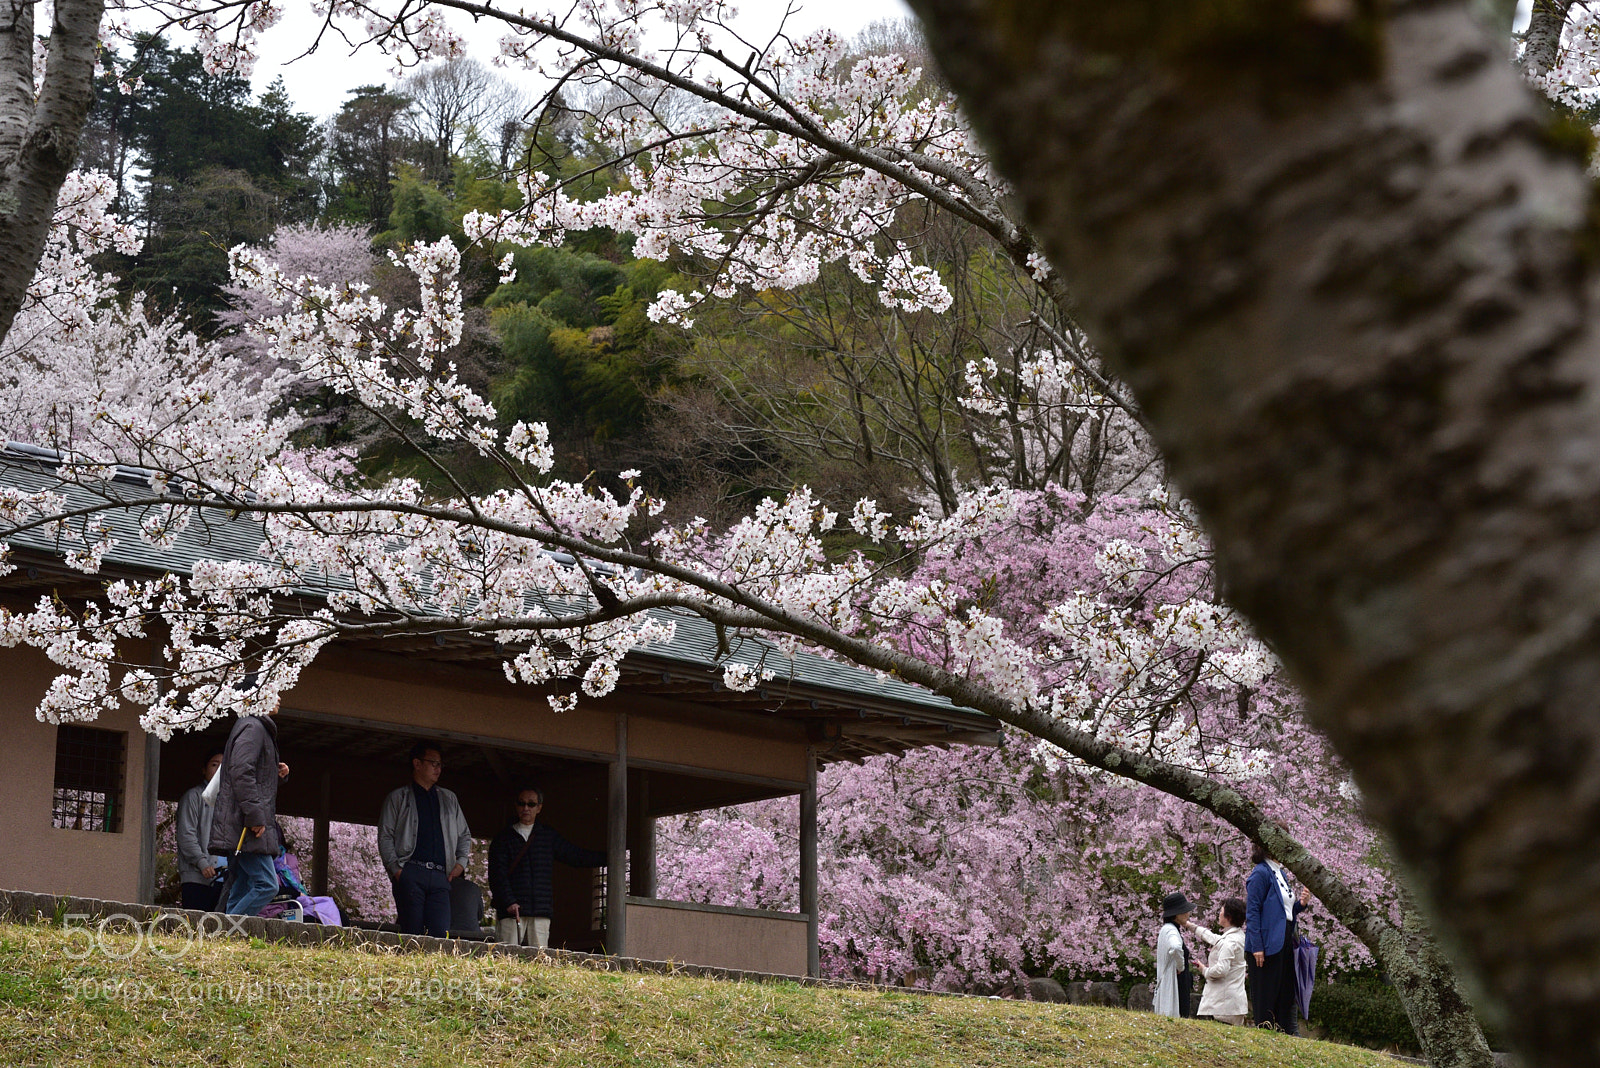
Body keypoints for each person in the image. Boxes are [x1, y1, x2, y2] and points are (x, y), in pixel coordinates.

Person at [487, 786, 606, 949]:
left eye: (531, 804)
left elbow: (575, 856)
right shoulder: (503, 838)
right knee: (506, 958)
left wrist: (609, 858)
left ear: (539, 808)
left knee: (540, 960)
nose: (526, 808)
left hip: (540, 910)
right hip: (511, 911)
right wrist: (509, 901)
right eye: (521, 803)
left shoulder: (547, 836)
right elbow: (497, 875)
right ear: (516, 806)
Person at [378, 741, 472, 937]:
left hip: (441, 874)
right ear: (417, 763)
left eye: (440, 765)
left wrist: (460, 863)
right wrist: (396, 870)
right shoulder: (398, 797)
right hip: (411, 870)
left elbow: (464, 834)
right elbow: (385, 836)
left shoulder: (449, 799)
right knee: (411, 933)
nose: (438, 769)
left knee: (440, 934)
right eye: (433, 763)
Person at [208, 703, 291, 917]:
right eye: (274, 692)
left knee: (242, 884)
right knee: (267, 884)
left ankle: (225, 936)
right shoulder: (253, 727)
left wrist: (275, 772)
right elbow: (242, 771)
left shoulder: (252, 725)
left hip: (242, 822)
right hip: (246, 825)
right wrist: (255, 816)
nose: (279, 698)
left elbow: (250, 774)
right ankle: (229, 930)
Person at [1245, 841, 1314, 1033]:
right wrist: (1257, 946)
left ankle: (1283, 1036)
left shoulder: (1280, 873)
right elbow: (1252, 911)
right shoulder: (1261, 873)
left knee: (1285, 994)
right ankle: (1265, 1035)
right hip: (1266, 943)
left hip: (1285, 939)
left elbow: (1284, 911)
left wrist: (1301, 904)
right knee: (1267, 995)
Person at [175, 749, 227, 911]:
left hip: (225, 878)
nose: (219, 769)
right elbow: (186, 834)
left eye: (224, 766)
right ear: (204, 769)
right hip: (198, 877)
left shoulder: (231, 801)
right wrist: (202, 862)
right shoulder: (194, 796)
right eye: (214, 765)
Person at [1194, 896, 1250, 1025]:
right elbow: (1214, 938)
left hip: (1225, 1006)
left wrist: (1204, 970)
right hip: (1233, 1003)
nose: (1218, 914)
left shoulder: (1230, 942)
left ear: (1228, 917)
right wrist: (1191, 926)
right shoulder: (1239, 936)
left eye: (1221, 911)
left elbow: (1221, 970)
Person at [1154, 891, 1196, 1018]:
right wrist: (1181, 966)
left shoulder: (1166, 930)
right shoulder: (1171, 930)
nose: (1187, 914)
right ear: (1176, 914)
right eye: (1184, 911)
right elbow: (1176, 947)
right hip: (1176, 982)